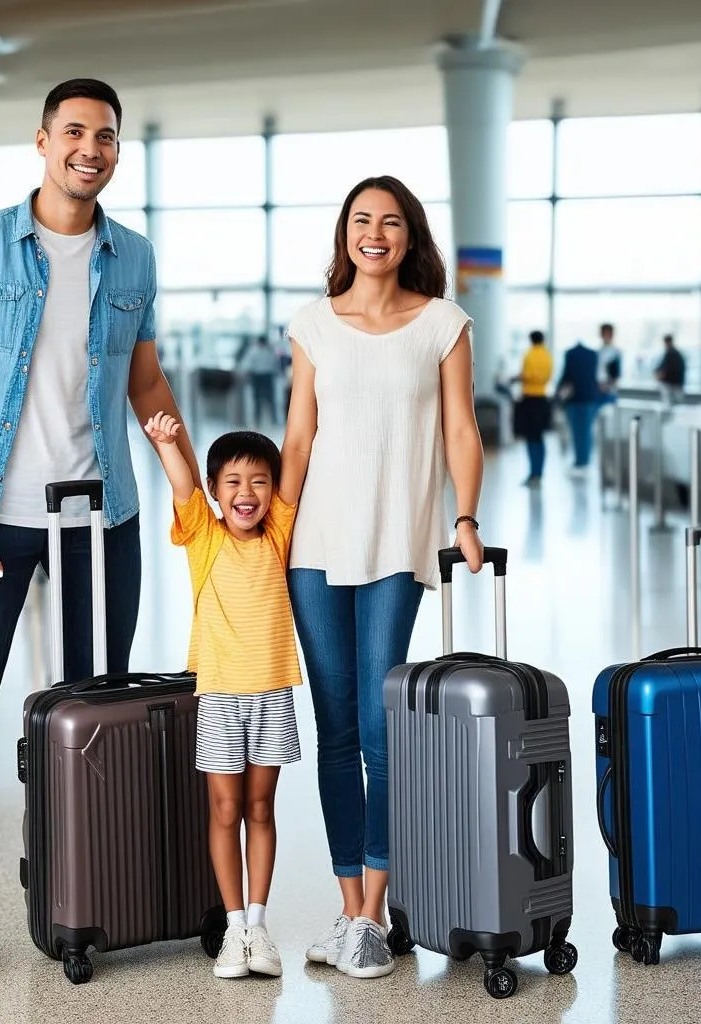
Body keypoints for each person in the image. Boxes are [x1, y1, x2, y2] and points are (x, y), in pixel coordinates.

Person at [0, 78, 197, 984]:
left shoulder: (134, 258)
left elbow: (146, 387)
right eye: (75, 131)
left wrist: (188, 486)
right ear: (41, 141)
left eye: (107, 136)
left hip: (101, 520)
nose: (91, 148)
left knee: (100, 714)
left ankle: (88, 890)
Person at [281, 175, 484, 979]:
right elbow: (298, 438)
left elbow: (462, 427)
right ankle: (349, 911)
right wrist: (276, 534)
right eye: (362, 220)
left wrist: (465, 517)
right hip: (314, 546)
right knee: (333, 730)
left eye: (390, 222)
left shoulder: (442, 323)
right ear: (345, 235)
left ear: (410, 237)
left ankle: (377, 908)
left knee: (377, 726)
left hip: (398, 544)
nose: (375, 233)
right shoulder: (312, 325)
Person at [144, 412, 301, 980]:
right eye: (233, 482)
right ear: (216, 491)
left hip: (271, 695)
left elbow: (298, 452)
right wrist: (166, 444)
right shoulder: (204, 536)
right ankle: (234, 926)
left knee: (261, 809)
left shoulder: (279, 533)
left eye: (259, 481)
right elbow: (181, 485)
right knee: (224, 809)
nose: (246, 493)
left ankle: (258, 926)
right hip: (218, 697)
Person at [511, 330, 554, 487]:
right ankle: (539, 472)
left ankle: (533, 473)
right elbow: (548, 376)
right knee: (540, 437)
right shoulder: (547, 355)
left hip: (529, 399)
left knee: (530, 438)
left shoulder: (529, 354)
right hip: (543, 399)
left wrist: (515, 378)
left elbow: (526, 375)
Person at [556, 339, 600, 475]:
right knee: (586, 431)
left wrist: (558, 391)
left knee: (577, 431)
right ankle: (584, 460)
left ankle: (580, 461)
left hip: (574, 398)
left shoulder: (570, 355)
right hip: (589, 397)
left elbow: (566, 375)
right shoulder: (593, 355)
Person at [239, 335, 281, 426]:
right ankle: (274, 420)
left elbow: (247, 365)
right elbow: (276, 365)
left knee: (258, 400)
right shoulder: (270, 351)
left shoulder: (254, 351)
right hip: (268, 377)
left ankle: (258, 420)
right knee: (270, 400)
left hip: (257, 377)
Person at [597, 322, 622, 402]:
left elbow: (616, 374)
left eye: (608, 334)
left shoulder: (616, 352)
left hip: (609, 390)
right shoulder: (598, 352)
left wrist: (608, 385)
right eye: (604, 333)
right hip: (597, 389)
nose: (605, 336)